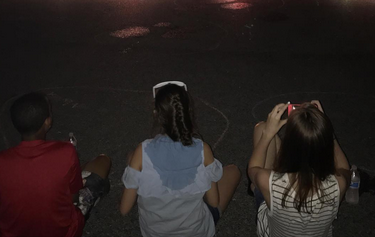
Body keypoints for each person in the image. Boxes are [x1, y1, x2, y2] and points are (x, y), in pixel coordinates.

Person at [120, 81, 241, 237]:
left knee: (132, 159)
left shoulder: (141, 151)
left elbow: (124, 209)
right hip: (196, 232)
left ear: (156, 113)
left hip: (155, 233)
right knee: (233, 171)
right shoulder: (203, 149)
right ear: (187, 113)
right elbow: (213, 201)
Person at [0, 91, 111, 237]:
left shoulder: (3, 161)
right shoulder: (65, 151)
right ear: (47, 122)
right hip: (64, 231)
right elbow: (73, 198)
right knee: (103, 161)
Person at [248, 100, 351, 237]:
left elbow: (253, 168)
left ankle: (257, 190)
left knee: (261, 128)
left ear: (288, 144)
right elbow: (345, 168)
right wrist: (327, 132)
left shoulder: (268, 181)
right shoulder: (338, 184)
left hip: (272, 213)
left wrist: (267, 133)